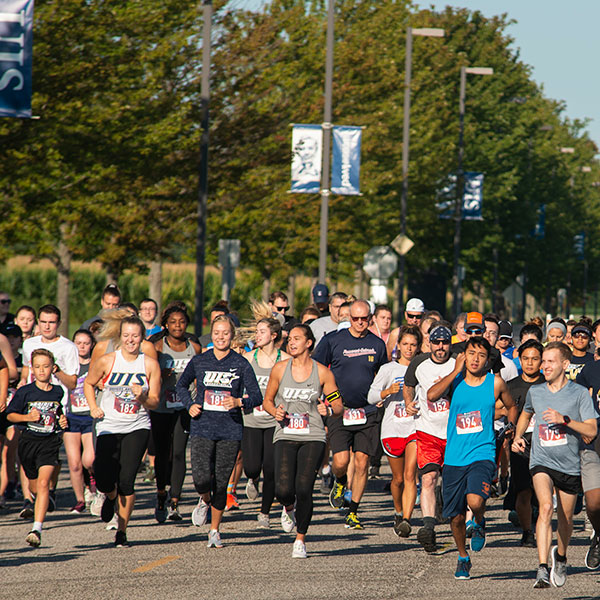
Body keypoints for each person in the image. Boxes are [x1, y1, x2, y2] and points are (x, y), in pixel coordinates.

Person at [428, 337, 517, 580]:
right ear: (464, 356)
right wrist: (455, 371)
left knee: (476, 501)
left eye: (480, 354)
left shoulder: (495, 383)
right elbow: (431, 395)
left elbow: (512, 405)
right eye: (471, 353)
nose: (475, 358)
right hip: (455, 456)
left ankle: (478, 521)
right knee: (455, 516)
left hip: (483, 452)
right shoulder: (455, 380)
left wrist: (511, 426)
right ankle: (462, 557)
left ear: (487, 359)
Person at [512, 342, 597, 588]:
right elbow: (526, 413)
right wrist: (518, 436)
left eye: (550, 361)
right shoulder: (536, 392)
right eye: (544, 361)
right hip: (541, 460)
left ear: (565, 364)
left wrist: (566, 420)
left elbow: (591, 429)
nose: (544, 366)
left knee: (566, 519)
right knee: (546, 506)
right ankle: (541, 567)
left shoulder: (579, 393)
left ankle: (560, 556)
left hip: (570, 464)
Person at [176, 315, 262, 548]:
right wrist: (189, 404)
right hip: (202, 427)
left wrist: (239, 402)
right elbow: (181, 386)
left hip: (230, 430)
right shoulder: (200, 361)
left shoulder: (241, 363)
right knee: (202, 480)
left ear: (232, 336)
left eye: (225, 333)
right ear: (211, 335)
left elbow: (256, 396)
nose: (221, 337)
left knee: (221, 483)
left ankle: (214, 530)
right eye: (217, 333)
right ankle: (204, 500)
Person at [263, 324, 343, 558]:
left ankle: (300, 539)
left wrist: (328, 409)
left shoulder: (323, 373)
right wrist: (274, 412)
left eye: (297, 339)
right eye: (290, 339)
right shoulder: (279, 369)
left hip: (313, 435)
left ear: (309, 343)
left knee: (304, 487)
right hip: (286, 434)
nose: (291, 342)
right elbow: (267, 400)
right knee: (283, 489)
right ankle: (288, 508)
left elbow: (338, 405)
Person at [84, 316, 161, 547]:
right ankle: (109, 495)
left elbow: (155, 401)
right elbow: (88, 383)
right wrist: (94, 407)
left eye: (135, 336)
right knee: (104, 476)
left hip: (137, 425)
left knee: (127, 480)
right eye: (126, 335)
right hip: (109, 425)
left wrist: (143, 396)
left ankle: (122, 531)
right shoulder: (108, 361)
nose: (130, 340)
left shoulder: (149, 364)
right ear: (120, 337)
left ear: (142, 338)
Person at [313, 300, 387, 529]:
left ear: (370, 318)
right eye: (355, 319)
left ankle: (353, 511)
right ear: (349, 319)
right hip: (339, 410)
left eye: (364, 319)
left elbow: (383, 372)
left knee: (363, 462)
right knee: (341, 461)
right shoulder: (333, 340)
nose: (360, 323)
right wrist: (320, 398)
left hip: (368, 412)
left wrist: (383, 395)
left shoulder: (377, 344)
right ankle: (340, 481)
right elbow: (315, 369)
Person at [6, 349, 68, 547]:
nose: (42, 371)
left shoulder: (59, 391)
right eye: (38, 367)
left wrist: (62, 421)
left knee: (43, 484)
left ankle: (37, 529)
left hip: (49, 442)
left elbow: (58, 414)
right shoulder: (25, 392)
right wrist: (27, 418)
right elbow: (10, 415)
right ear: (32, 368)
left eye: (46, 366)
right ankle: (38, 500)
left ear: (53, 368)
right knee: (34, 487)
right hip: (29, 442)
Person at [404, 322, 456, 553]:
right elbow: (408, 384)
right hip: (427, 431)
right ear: (429, 343)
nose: (441, 347)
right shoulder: (419, 363)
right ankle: (428, 527)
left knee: (455, 483)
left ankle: (468, 523)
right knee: (428, 478)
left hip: (455, 432)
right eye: (436, 342)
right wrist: (408, 402)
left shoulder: (459, 363)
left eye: (445, 342)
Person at [368, 325, 421, 537]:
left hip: (415, 427)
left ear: (418, 347)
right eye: (405, 344)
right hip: (392, 429)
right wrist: (387, 391)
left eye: (413, 345)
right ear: (398, 346)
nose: (409, 349)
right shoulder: (388, 369)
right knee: (397, 479)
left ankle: (407, 519)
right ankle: (398, 511)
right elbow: (371, 397)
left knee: (410, 475)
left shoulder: (422, 367)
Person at [152, 305, 201, 522]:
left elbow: (200, 376)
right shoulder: (157, 347)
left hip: (184, 406)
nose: (178, 326)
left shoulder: (194, 347)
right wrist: (160, 374)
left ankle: (175, 502)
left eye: (181, 321)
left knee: (180, 452)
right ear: (166, 325)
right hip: (162, 407)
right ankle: (161, 493)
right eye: (173, 322)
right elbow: (148, 375)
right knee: (163, 454)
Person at [242, 318, 290, 528]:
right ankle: (252, 479)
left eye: (261, 331)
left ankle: (265, 512)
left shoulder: (286, 360)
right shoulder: (248, 358)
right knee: (252, 467)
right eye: (256, 331)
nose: (257, 335)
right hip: (251, 419)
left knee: (271, 469)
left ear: (273, 335)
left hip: (274, 422)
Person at [504, 340, 545, 548]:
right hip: (520, 444)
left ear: (542, 361)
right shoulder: (511, 386)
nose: (530, 363)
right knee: (523, 491)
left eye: (535, 359)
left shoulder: (550, 384)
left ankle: (540, 521)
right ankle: (528, 532)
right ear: (519, 360)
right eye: (526, 359)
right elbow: (497, 409)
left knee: (543, 490)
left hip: (546, 443)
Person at [63, 330, 96, 514]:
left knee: (89, 459)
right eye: (78, 342)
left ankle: (92, 478)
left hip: (89, 416)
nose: (82, 346)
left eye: (85, 343)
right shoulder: (68, 365)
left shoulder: (96, 365)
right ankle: (80, 500)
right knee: (74, 463)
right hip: (71, 416)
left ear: (92, 345)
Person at [575, 353, 600, 570]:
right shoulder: (591, 369)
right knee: (593, 503)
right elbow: (577, 400)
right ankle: (598, 535)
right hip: (594, 443)